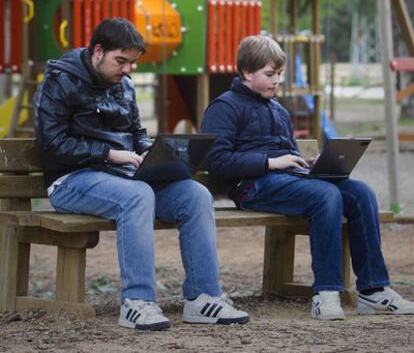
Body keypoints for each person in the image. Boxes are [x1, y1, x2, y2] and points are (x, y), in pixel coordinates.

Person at [33, 18, 249, 331]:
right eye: (121, 61)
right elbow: (52, 145)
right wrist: (107, 153)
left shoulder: (125, 86)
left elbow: (137, 134)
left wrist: (152, 153)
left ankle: (203, 297)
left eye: (133, 63)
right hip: (71, 180)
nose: (127, 70)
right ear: (97, 51)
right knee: (138, 196)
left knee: (195, 194)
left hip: (123, 178)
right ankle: (137, 302)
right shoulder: (59, 80)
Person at [201, 34, 414, 320]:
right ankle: (326, 293)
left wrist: (311, 164)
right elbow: (216, 161)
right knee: (325, 195)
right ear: (247, 72)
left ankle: (373, 291)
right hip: (251, 186)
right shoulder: (224, 107)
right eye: (269, 74)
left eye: (279, 74)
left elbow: (288, 151)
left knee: (361, 193)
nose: (277, 80)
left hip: (289, 179)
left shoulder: (277, 108)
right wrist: (271, 162)